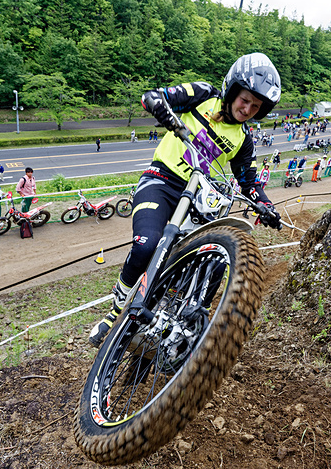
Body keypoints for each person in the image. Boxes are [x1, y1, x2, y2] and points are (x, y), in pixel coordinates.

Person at [88, 52, 283, 347]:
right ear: (232, 91)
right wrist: (167, 115)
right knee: (147, 245)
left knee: (214, 260)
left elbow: (249, 181)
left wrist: (266, 206)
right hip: (161, 180)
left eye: (256, 106)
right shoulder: (203, 95)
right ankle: (114, 311)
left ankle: (186, 321)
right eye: (245, 100)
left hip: (198, 197)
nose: (248, 109)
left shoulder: (244, 140)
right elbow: (153, 96)